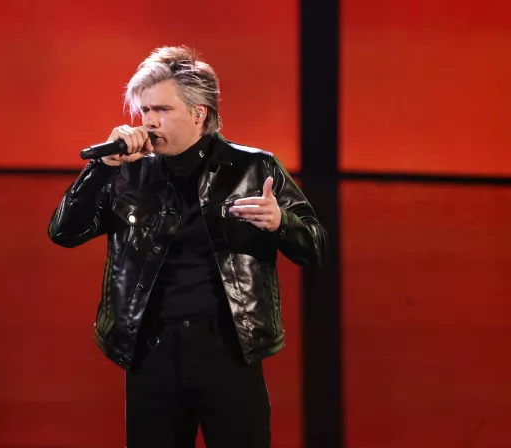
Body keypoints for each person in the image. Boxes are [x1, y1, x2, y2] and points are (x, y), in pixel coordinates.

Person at [48, 45, 328, 448]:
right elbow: (64, 232)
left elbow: (316, 248)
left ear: (199, 114)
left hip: (228, 352)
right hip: (150, 354)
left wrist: (282, 223)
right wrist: (100, 169)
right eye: (145, 110)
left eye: (161, 110)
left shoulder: (254, 169)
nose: (149, 121)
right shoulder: (127, 174)